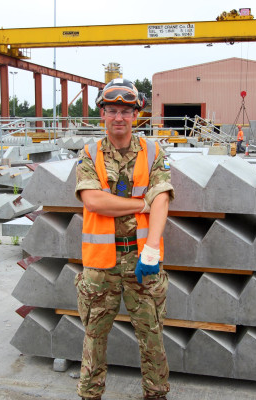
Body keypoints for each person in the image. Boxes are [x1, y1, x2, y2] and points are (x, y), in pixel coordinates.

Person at [74, 78, 175, 400]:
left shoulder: (153, 151)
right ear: (102, 113)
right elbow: (94, 201)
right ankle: (90, 395)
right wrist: (140, 203)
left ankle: (156, 395)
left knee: (152, 336)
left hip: (141, 261)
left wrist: (151, 250)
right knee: (94, 337)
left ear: (136, 115)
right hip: (100, 267)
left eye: (126, 111)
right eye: (112, 110)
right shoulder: (89, 153)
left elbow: (162, 199)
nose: (119, 117)